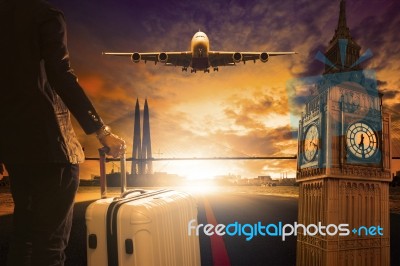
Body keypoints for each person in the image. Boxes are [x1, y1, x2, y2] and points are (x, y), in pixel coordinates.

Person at [0, 0, 126, 265]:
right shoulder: (45, 14)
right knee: (50, 248)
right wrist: (102, 131)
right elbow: (61, 75)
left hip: (14, 148)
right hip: (52, 145)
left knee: (23, 240)